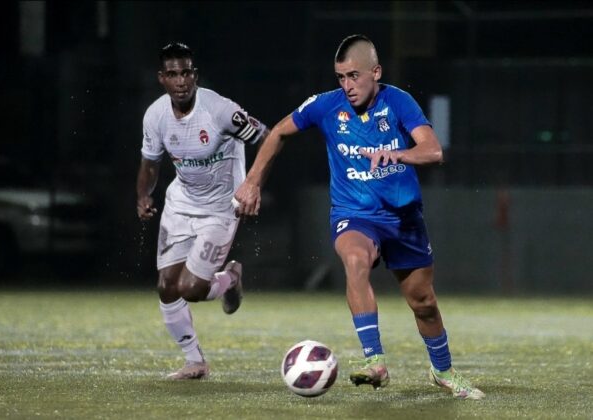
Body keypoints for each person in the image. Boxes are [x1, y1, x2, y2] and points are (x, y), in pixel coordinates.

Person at [234, 34, 485, 399]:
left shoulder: (398, 101)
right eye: (341, 77)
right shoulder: (324, 106)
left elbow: (433, 151)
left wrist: (397, 155)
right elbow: (278, 133)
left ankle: (443, 371)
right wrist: (252, 182)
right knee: (355, 260)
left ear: (375, 72)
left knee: (424, 303)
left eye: (354, 75)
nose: (347, 85)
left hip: (403, 219)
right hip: (354, 214)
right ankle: (375, 361)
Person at [136, 42, 269, 380]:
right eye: (173, 74)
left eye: (186, 73)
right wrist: (143, 195)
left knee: (192, 288)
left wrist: (252, 184)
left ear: (194, 75)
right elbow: (150, 163)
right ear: (162, 78)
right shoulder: (155, 116)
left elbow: (267, 138)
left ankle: (231, 278)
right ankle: (195, 362)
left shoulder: (220, 110)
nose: (180, 81)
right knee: (167, 286)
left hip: (221, 210)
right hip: (180, 205)